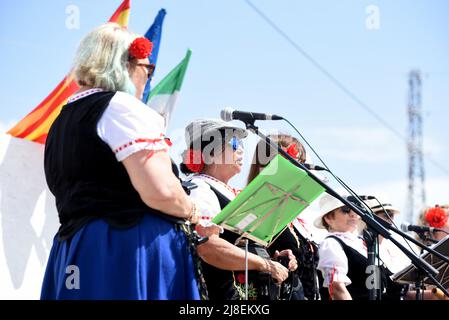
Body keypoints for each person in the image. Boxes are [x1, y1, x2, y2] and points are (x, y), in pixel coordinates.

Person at [41, 23, 204, 300]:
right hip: (126, 247)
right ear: (124, 65)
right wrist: (191, 210)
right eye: (147, 68)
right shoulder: (121, 107)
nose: (148, 78)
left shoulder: (62, 120)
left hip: (76, 249)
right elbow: (161, 192)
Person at [180, 119, 297, 300]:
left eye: (241, 144)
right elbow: (208, 246)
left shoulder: (230, 192)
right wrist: (263, 264)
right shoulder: (200, 187)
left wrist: (272, 257)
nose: (241, 149)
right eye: (234, 143)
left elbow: (239, 244)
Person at [247, 134, 320, 300]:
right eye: (292, 163)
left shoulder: (295, 214)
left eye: (300, 163)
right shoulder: (254, 208)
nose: (299, 170)